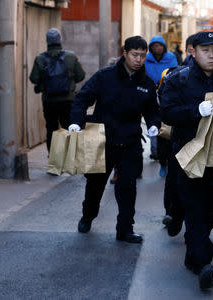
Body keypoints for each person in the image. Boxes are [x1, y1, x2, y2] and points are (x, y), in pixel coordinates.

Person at [69, 36, 160, 244]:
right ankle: (88, 216)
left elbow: (152, 110)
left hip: (130, 143)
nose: (139, 60)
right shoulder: (104, 77)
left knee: (127, 188)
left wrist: (154, 123)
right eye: (135, 55)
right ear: (124, 53)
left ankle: (125, 229)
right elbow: (82, 99)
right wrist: (76, 121)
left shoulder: (146, 83)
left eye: (143, 56)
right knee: (95, 186)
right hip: (102, 141)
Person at [161, 31, 213, 290]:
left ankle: (194, 258)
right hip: (188, 154)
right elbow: (167, 112)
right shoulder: (179, 79)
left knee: (209, 209)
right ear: (193, 51)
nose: (212, 55)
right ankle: (203, 263)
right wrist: (194, 112)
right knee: (195, 208)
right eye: (205, 50)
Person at [29, 28, 85, 152]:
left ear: (47, 41)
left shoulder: (40, 59)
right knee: (68, 127)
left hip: (49, 100)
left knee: (52, 129)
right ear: (60, 40)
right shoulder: (70, 56)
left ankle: (54, 160)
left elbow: (33, 78)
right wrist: (68, 81)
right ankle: (70, 157)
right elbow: (81, 75)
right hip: (68, 99)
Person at [145, 35, 178, 161]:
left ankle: (164, 153)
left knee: (164, 122)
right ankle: (155, 151)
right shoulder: (147, 59)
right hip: (150, 93)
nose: (157, 48)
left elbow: (173, 72)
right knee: (152, 122)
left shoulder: (170, 57)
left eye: (159, 45)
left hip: (165, 93)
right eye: (154, 46)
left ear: (163, 47)